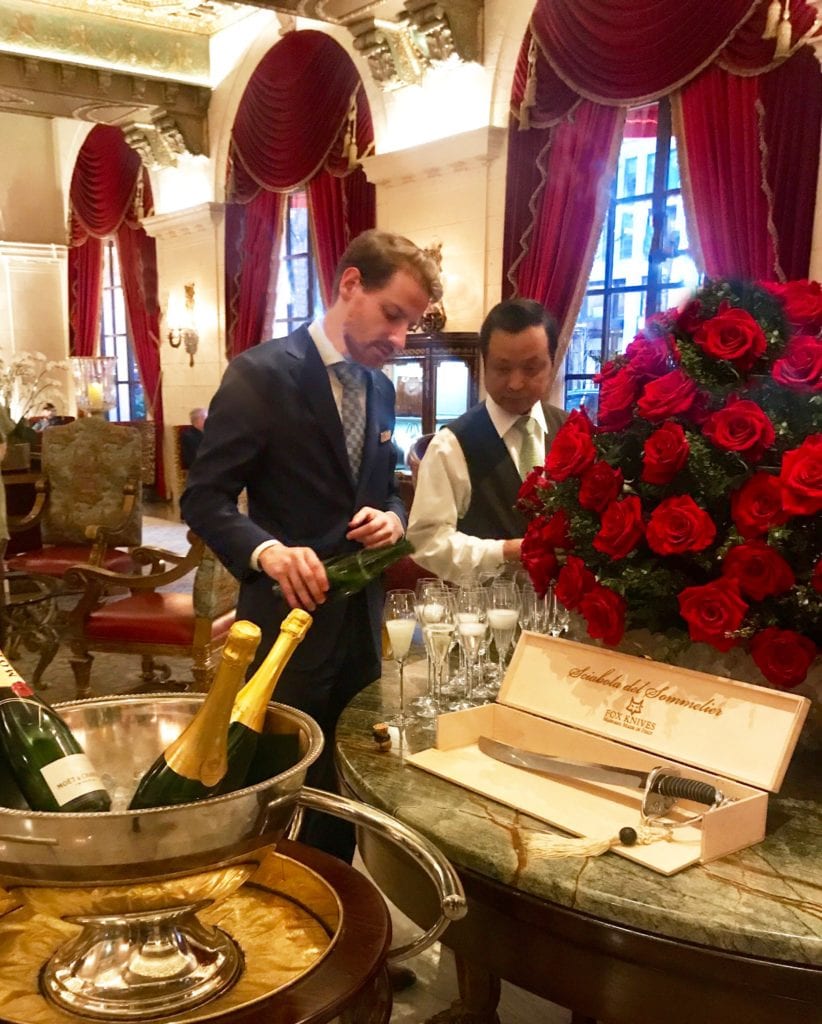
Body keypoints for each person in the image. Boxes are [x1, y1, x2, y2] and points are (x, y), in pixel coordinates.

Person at [181, 229, 441, 863]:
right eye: (393, 315)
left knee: (341, 789)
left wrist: (394, 516)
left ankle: (334, 929)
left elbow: (389, 491)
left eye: (411, 324)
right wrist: (268, 551)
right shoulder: (261, 374)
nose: (401, 340)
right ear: (351, 284)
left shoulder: (380, 389)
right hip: (281, 629)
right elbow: (204, 500)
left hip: (358, 626)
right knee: (272, 786)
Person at [407, 298, 566, 582]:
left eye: (531, 369)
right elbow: (426, 542)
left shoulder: (571, 433)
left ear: (553, 364)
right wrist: (504, 552)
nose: (515, 383)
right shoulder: (451, 444)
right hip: (486, 615)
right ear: (484, 364)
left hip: (565, 611)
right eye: (502, 369)